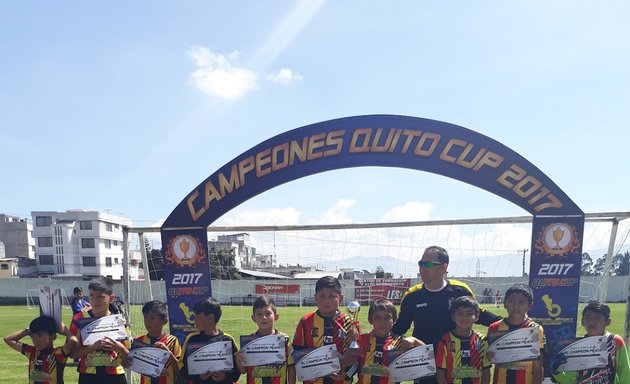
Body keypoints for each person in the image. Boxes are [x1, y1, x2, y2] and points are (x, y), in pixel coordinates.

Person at [391, 246, 501, 384]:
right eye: (421, 263)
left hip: (455, 364)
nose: (422, 268)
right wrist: (377, 335)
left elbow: (481, 315)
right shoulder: (412, 296)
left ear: (444, 267)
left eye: (428, 264)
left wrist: (509, 324)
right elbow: (400, 327)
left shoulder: (459, 291)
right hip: (425, 364)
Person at [292, 276, 356, 384]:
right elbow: (296, 351)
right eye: (322, 296)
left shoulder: (348, 322)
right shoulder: (305, 321)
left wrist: (346, 374)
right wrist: (305, 372)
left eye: (332, 296)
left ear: (340, 298)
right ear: (315, 298)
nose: (327, 301)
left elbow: (357, 354)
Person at [70, 276, 131, 384]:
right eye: (91, 296)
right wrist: (94, 347)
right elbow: (73, 353)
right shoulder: (80, 318)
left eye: (100, 297)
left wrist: (119, 348)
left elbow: (130, 355)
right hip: (88, 376)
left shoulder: (119, 320)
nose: (94, 301)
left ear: (111, 298)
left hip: (115, 376)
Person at [552, 300, 630, 383]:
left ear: (607, 322)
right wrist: (557, 371)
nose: (592, 322)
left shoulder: (615, 341)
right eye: (588, 317)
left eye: (597, 318)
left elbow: (625, 373)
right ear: (582, 321)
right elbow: (570, 380)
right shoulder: (576, 345)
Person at [356, 299, 423, 384]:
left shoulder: (400, 343)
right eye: (377, 317)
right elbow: (352, 364)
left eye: (387, 317)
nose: (382, 322)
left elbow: (428, 357)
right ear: (370, 320)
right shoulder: (362, 340)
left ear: (394, 320)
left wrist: (415, 340)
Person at [487, 284, 544, 384]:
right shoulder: (494, 328)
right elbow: (488, 359)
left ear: (530, 305)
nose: (516, 306)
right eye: (511, 301)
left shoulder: (536, 329)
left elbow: (538, 364)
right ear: (504, 304)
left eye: (521, 302)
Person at [179, 297, 241, 384]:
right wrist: (199, 377)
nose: (195, 320)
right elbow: (183, 370)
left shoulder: (227, 340)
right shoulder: (192, 339)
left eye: (197, 316)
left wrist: (225, 376)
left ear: (210, 318)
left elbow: (236, 372)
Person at [235, 295, 295, 384]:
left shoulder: (284, 340)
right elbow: (243, 371)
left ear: (276, 317)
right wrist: (239, 360)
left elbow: (291, 367)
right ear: (253, 318)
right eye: (259, 314)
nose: (264, 317)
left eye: (268, 313)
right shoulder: (249, 342)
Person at [4, 315, 78, 384]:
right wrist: (27, 331)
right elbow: (8, 339)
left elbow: (73, 340)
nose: (36, 340)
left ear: (52, 336)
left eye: (40, 335)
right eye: (32, 336)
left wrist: (64, 331)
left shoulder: (57, 354)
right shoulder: (32, 352)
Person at [435, 296, 491, 384]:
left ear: (476, 317)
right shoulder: (445, 341)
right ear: (453, 317)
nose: (464, 318)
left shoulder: (482, 340)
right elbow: (440, 373)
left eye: (469, 314)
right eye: (460, 313)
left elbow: (486, 370)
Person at [131, 300, 182, 384]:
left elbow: (179, 369)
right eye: (145, 318)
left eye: (152, 318)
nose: (147, 322)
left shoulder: (172, 341)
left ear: (164, 321)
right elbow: (131, 364)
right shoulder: (139, 341)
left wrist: (168, 353)